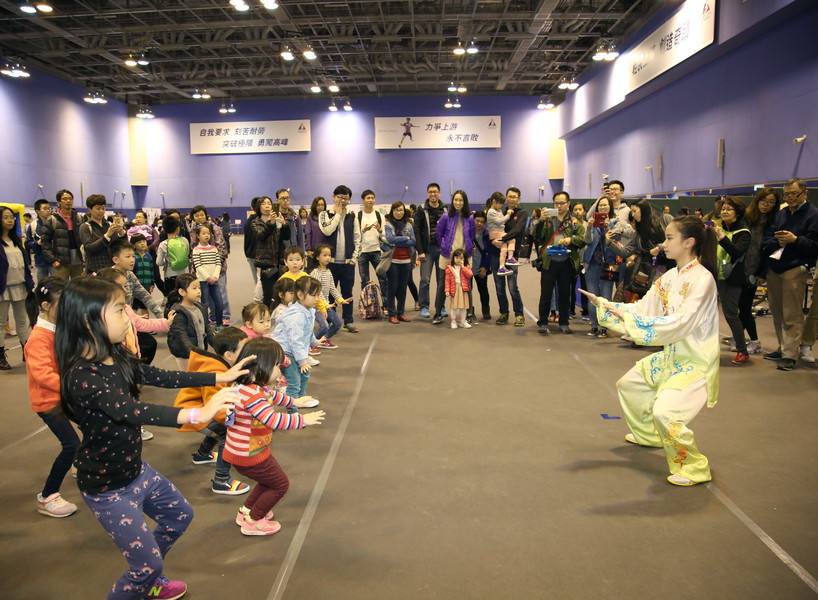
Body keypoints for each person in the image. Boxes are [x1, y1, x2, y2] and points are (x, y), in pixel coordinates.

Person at [56, 276, 250, 599]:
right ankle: (147, 577)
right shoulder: (83, 377)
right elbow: (134, 411)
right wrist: (196, 415)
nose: (130, 316)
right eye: (120, 311)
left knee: (179, 516)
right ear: (89, 323)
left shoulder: (115, 355)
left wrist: (220, 375)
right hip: (108, 488)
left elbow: (161, 375)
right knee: (146, 567)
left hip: (136, 470)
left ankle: (149, 578)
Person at [582, 216, 720, 487]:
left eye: (670, 238)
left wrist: (634, 325)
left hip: (695, 362)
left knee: (666, 414)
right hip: (672, 356)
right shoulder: (670, 276)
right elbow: (645, 309)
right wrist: (608, 306)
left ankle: (693, 467)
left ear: (689, 242)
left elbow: (681, 323)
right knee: (630, 385)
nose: (663, 243)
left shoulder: (702, 280)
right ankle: (650, 435)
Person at [225, 337, 324, 536]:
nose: (280, 372)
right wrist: (303, 420)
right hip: (249, 454)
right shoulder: (252, 396)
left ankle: (246, 511)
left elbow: (274, 396)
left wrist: (296, 401)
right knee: (279, 484)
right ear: (261, 367)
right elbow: (272, 420)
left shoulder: (250, 387)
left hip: (244, 451)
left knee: (268, 481)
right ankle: (254, 521)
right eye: (277, 366)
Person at [24, 276, 79, 517]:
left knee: (95, 423)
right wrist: (76, 384)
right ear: (46, 307)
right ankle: (47, 496)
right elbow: (44, 375)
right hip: (48, 403)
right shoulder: (38, 339)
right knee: (71, 446)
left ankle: (84, 466)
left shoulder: (60, 329)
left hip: (64, 396)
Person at [175, 326, 251, 496]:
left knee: (219, 430)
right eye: (244, 349)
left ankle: (202, 454)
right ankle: (221, 481)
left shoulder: (223, 365)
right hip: (193, 414)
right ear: (229, 355)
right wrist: (238, 421)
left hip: (198, 410)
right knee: (228, 433)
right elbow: (216, 410)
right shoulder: (216, 371)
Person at [761, 178, 818, 371]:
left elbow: (814, 247)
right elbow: (768, 239)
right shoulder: (781, 214)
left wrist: (795, 240)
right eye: (786, 194)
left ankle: (790, 355)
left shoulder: (813, 215)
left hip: (795, 268)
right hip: (775, 267)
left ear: (805, 193)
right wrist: (778, 242)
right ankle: (782, 347)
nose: (790, 197)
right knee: (777, 311)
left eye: (794, 193)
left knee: (792, 314)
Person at [96, 267, 171, 367]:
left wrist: (166, 323)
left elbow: (142, 323)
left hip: (131, 356)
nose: (125, 290)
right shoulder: (100, 314)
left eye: (125, 286)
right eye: (120, 286)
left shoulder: (126, 308)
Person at [534, 191, 585, 335]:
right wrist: (541, 221)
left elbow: (582, 240)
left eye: (562, 203)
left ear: (568, 204)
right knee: (546, 294)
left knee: (565, 294)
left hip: (567, 263)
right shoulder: (548, 220)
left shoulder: (575, 223)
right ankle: (543, 322)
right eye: (556, 203)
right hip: (548, 263)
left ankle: (564, 322)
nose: (559, 205)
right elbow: (537, 236)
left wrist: (571, 240)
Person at [738, 188, 780, 356]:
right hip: (738, 269)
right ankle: (739, 338)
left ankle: (754, 341)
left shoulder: (773, 224)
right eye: (764, 200)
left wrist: (762, 274)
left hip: (754, 271)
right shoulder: (746, 219)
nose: (766, 205)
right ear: (757, 200)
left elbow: (769, 253)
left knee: (745, 307)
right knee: (737, 307)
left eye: (771, 202)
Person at [712, 197, 751, 364]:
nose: (725, 211)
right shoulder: (719, 227)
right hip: (714, 275)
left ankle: (743, 351)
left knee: (731, 314)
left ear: (738, 213)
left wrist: (720, 236)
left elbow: (736, 252)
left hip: (732, 278)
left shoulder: (744, 232)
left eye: (729, 209)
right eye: (723, 208)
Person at [271, 277, 321, 400]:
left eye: (318, 295)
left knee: (305, 374)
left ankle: (301, 398)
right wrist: (302, 361)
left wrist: (314, 341)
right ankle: (292, 409)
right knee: (294, 381)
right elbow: (295, 341)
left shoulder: (308, 310)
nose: (317, 298)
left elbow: (308, 330)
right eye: (313, 295)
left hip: (295, 350)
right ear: (300, 295)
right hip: (286, 351)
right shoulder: (296, 316)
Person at [319, 185, 359, 332]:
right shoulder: (324, 214)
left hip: (348, 263)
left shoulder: (352, 216)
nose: (343, 200)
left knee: (347, 293)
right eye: (340, 197)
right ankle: (332, 321)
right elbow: (327, 230)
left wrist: (353, 259)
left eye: (346, 198)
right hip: (330, 263)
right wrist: (337, 214)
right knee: (329, 293)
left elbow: (357, 238)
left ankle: (348, 321)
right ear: (333, 197)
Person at [432, 190, 474, 325]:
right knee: (442, 285)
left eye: (461, 200)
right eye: (456, 200)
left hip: (465, 257)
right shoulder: (445, 217)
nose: (458, 203)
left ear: (465, 202)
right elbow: (439, 234)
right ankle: (438, 313)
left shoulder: (470, 218)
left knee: (467, 285)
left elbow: (472, 236)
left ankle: (468, 314)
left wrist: (466, 251)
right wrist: (446, 248)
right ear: (452, 201)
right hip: (447, 256)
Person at [0, 206, 33, 370]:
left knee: (22, 321)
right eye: (6, 217)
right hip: (2, 288)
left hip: (20, 286)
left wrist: (29, 283)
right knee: (0, 323)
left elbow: (25, 265)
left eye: (12, 217)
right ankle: (1, 357)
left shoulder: (16, 241)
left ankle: (27, 352)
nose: (10, 220)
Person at [582, 196, 620, 337]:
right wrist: (590, 226)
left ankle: (604, 326)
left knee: (605, 297)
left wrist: (607, 227)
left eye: (605, 205)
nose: (603, 207)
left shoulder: (615, 222)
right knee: (592, 296)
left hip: (608, 265)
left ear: (610, 207)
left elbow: (611, 242)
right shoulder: (591, 224)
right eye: (600, 205)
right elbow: (588, 240)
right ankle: (594, 325)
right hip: (591, 264)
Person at [491, 188, 528, 326]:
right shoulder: (500, 212)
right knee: (499, 288)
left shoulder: (523, 213)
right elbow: (492, 228)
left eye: (514, 197)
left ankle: (519, 315)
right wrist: (492, 241)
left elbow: (517, 230)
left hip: (512, 256)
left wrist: (503, 239)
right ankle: (503, 313)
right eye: (509, 196)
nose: (512, 199)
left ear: (519, 199)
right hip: (496, 255)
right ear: (506, 198)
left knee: (513, 287)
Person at [189, 206, 231, 326]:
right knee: (207, 297)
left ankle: (225, 315)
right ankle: (213, 316)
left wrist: (216, 267)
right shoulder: (193, 230)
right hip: (202, 271)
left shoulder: (214, 228)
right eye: (196, 215)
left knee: (220, 292)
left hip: (217, 268)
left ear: (206, 215)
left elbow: (221, 247)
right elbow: (193, 248)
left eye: (201, 214)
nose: (199, 217)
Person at [168, 274, 214, 371]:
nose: (198, 291)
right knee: (190, 380)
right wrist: (193, 354)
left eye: (199, 288)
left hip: (199, 352)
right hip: (186, 356)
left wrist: (220, 346)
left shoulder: (201, 308)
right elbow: (182, 338)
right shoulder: (179, 313)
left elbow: (208, 331)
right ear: (182, 292)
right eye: (194, 288)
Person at [414, 183, 447, 319]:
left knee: (442, 280)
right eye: (430, 192)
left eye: (435, 192)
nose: (432, 194)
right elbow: (417, 231)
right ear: (427, 193)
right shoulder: (421, 210)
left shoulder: (445, 209)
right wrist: (420, 251)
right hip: (427, 250)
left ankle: (441, 306)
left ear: (439, 193)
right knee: (425, 279)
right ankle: (424, 307)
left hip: (442, 250)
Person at [110, 239, 163, 319]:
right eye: (128, 257)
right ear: (116, 260)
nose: (132, 260)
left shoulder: (130, 275)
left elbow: (145, 296)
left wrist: (161, 316)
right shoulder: (109, 278)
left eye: (133, 256)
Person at [251, 196, 289, 308]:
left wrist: (284, 224)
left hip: (279, 262)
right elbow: (261, 236)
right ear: (259, 207)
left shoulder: (277, 220)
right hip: (266, 264)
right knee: (268, 295)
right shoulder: (255, 223)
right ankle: (269, 319)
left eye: (269, 203)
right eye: (264, 203)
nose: (267, 206)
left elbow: (286, 237)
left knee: (281, 293)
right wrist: (271, 223)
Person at [382, 201, 416, 324]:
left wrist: (400, 240)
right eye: (396, 210)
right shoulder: (388, 224)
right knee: (393, 288)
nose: (399, 212)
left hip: (406, 261)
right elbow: (390, 239)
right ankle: (392, 313)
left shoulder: (409, 224)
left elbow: (413, 241)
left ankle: (401, 313)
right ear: (392, 211)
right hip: (393, 261)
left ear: (404, 211)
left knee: (402, 289)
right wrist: (405, 238)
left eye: (401, 210)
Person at [41, 189, 84, 280]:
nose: (68, 201)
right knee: (60, 288)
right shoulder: (52, 220)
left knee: (78, 287)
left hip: (78, 260)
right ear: (59, 201)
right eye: (64, 199)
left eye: (70, 198)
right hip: (61, 262)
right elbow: (45, 242)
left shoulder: (79, 218)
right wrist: (53, 260)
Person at [310, 243, 348, 343]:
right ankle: (310, 344)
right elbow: (318, 292)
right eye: (325, 255)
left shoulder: (328, 271)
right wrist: (325, 305)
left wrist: (340, 299)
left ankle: (322, 341)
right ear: (317, 257)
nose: (328, 258)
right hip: (318, 305)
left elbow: (332, 288)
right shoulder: (315, 273)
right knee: (325, 327)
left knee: (337, 324)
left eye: (329, 255)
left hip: (326, 304)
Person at [191, 224, 224, 328]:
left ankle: (219, 324)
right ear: (198, 235)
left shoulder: (214, 248)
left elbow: (218, 263)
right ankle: (205, 326)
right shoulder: (196, 250)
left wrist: (214, 277)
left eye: (208, 233)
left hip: (214, 280)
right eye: (203, 233)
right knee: (204, 304)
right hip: (202, 281)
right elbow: (198, 266)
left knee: (219, 303)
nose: (207, 235)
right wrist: (207, 277)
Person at [357, 189, 388, 293]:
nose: (371, 200)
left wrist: (379, 230)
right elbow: (355, 235)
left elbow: (384, 236)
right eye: (368, 198)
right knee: (365, 281)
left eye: (372, 198)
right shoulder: (358, 216)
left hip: (377, 251)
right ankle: (367, 306)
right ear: (363, 200)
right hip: (362, 252)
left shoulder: (380, 216)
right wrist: (363, 230)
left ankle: (386, 305)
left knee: (383, 279)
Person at [156, 215, 190, 301]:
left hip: (170, 276)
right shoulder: (184, 240)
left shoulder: (163, 244)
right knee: (184, 300)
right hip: (184, 274)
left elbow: (159, 262)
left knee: (172, 301)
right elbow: (187, 254)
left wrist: (166, 263)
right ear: (178, 228)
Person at [487, 193, 517, 276]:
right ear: (494, 201)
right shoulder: (491, 212)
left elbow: (503, 221)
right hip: (495, 233)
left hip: (500, 232)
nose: (501, 206)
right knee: (512, 239)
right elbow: (499, 221)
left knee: (504, 249)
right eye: (500, 203)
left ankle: (501, 267)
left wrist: (506, 216)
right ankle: (510, 258)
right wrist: (508, 214)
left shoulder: (499, 211)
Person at [470, 210, 492, 321]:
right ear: (473, 220)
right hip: (468, 267)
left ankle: (486, 309)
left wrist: (485, 267)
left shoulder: (487, 234)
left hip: (481, 267)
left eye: (482, 222)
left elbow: (488, 252)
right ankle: (470, 311)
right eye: (477, 221)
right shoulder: (467, 232)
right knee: (467, 290)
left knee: (483, 289)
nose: (479, 224)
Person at [25, 198, 53, 282]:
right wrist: (37, 243)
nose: (48, 211)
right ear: (37, 211)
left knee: (56, 286)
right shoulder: (33, 226)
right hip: (40, 261)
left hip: (54, 261)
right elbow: (27, 243)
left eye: (49, 208)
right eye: (45, 209)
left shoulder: (55, 223)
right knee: (42, 286)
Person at [445, 248, 473, 329]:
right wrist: (447, 290)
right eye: (456, 257)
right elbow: (447, 280)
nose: (458, 260)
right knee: (454, 307)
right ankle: (453, 321)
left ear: (464, 259)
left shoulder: (466, 267)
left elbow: (470, 275)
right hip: (454, 289)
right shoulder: (449, 268)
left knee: (463, 307)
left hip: (463, 289)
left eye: (461, 258)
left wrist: (463, 267)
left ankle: (463, 321)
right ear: (453, 258)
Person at [130, 233, 159, 310]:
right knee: (134, 308)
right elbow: (130, 273)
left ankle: (146, 322)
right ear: (133, 245)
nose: (142, 244)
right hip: (135, 287)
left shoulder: (148, 255)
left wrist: (151, 284)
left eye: (144, 241)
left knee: (145, 307)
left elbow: (151, 270)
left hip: (146, 285)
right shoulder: (133, 256)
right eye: (139, 242)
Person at [244, 197, 262, 283]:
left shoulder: (247, 222)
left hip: (251, 254)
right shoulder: (263, 221)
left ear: (252, 208)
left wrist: (247, 254)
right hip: (259, 255)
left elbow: (246, 240)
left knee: (257, 280)